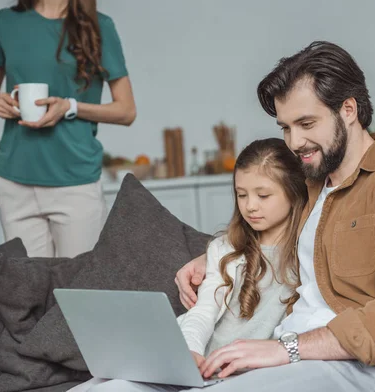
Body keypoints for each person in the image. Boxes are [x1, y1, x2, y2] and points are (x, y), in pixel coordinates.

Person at [174, 41, 375, 392]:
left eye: (307, 123)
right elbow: (269, 229)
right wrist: (213, 256)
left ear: (349, 110)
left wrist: (288, 349)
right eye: (286, 127)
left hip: (361, 365)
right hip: (290, 355)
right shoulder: (311, 182)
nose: (295, 142)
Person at [69, 138, 308, 392]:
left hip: (249, 373)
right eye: (241, 194)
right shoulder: (224, 249)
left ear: (294, 192)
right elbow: (203, 312)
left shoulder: (307, 252)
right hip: (200, 364)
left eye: (263, 195)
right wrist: (190, 350)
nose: (250, 205)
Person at [0, 0, 136, 258]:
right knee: (28, 293)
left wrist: (70, 107)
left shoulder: (99, 26)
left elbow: (126, 110)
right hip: (15, 181)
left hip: (74, 182)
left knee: (79, 291)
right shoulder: (5, 22)